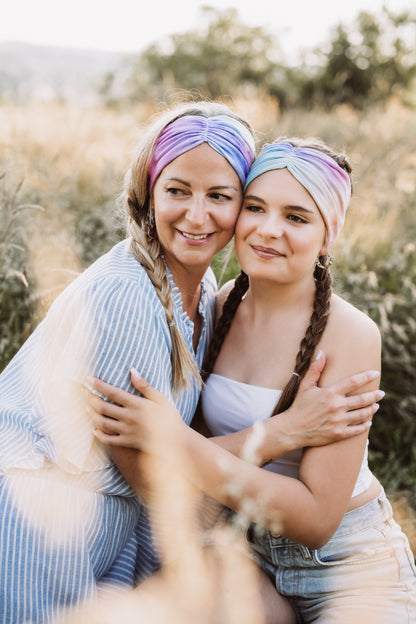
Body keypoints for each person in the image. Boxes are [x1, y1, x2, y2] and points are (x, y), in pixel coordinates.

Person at [0, 101, 380, 623]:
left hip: (324, 560)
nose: (197, 216)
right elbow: (156, 481)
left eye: (220, 196)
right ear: (148, 191)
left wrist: (184, 446)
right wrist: (281, 433)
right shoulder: (127, 297)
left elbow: (182, 454)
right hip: (43, 524)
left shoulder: (209, 298)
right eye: (177, 190)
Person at [90, 137, 416, 622]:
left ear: (328, 236)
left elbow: (315, 521)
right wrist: (277, 433)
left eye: (296, 217)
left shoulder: (350, 335)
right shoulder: (220, 306)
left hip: (349, 567)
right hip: (247, 555)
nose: (268, 230)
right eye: (256, 207)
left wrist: (173, 440)